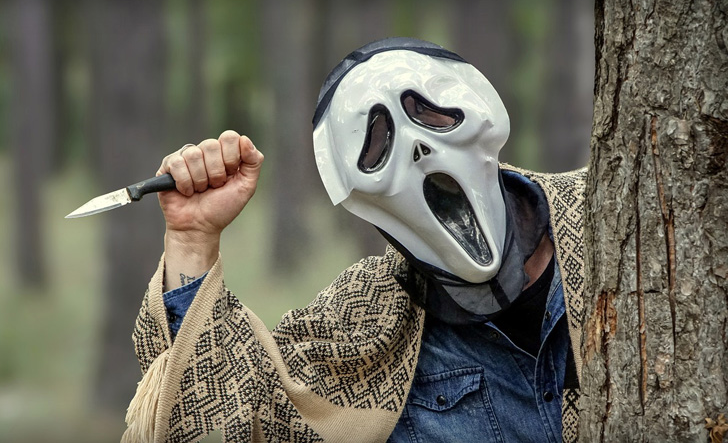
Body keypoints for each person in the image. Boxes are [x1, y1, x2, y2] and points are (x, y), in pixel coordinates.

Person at [123, 38, 586, 443]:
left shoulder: (616, 224)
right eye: (376, 145)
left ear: (483, 112)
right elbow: (239, 416)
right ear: (358, 196)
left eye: (427, 112)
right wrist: (193, 239)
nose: (418, 148)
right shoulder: (361, 323)